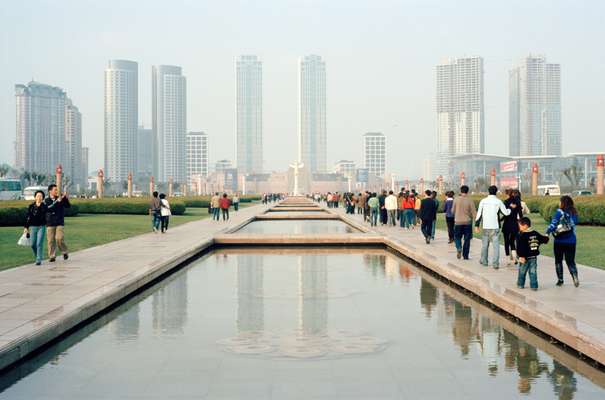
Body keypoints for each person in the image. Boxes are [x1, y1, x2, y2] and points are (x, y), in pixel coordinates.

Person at [475, 185, 512, 269]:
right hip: (495, 226)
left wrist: (476, 225)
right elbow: (506, 213)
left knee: (485, 245)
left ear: (488, 191)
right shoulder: (498, 201)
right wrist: (510, 209)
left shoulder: (483, 201)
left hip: (485, 226)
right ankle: (495, 263)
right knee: (496, 246)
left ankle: (484, 261)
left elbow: (479, 214)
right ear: (496, 191)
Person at [546, 195, 579, 287]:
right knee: (570, 261)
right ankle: (575, 276)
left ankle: (560, 280)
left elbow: (552, 224)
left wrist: (547, 233)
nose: (559, 203)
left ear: (563, 203)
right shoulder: (574, 212)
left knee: (558, 260)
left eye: (560, 202)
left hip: (559, 241)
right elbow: (575, 223)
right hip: (571, 241)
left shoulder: (559, 212)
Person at [515, 217, 549, 290]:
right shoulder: (535, 233)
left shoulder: (521, 235)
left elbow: (519, 247)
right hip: (533, 257)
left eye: (520, 226)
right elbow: (544, 240)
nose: (519, 227)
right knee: (533, 272)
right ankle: (534, 286)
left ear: (525, 226)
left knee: (522, 272)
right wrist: (547, 236)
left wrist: (521, 256)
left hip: (524, 257)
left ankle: (520, 284)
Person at [45, 184, 70, 262]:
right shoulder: (46, 200)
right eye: (55, 190)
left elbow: (68, 206)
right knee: (50, 240)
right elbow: (49, 209)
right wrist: (57, 202)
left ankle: (64, 252)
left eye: (57, 190)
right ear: (50, 191)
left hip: (59, 222)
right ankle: (52, 256)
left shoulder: (60, 198)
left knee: (59, 238)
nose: (57, 191)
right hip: (50, 222)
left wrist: (65, 198)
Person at [24, 190, 47, 265]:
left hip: (41, 227)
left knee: (39, 243)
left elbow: (47, 211)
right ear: (35, 197)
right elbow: (28, 217)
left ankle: (38, 259)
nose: (39, 197)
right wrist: (26, 228)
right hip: (33, 227)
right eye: (38, 196)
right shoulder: (31, 206)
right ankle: (38, 255)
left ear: (43, 198)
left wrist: (40, 205)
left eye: (41, 196)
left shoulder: (44, 206)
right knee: (33, 244)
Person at [452, 185, 476, 260]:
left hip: (458, 222)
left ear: (460, 191)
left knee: (457, 237)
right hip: (467, 223)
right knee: (467, 239)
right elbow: (474, 213)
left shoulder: (456, 199)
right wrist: (476, 223)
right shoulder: (470, 200)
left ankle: (459, 247)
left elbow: (452, 211)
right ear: (467, 191)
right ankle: (465, 256)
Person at [502, 189, 523, 265]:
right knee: (512, 241)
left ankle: (508, 259)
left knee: (506, 242)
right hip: (515, 224)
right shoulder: (517, 202)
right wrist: (521, 223)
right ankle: (514, 258)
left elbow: (505, 214)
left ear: (507, 194)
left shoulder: (506, 202)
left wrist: (500, 220)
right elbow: (520, 214)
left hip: (507, 224)